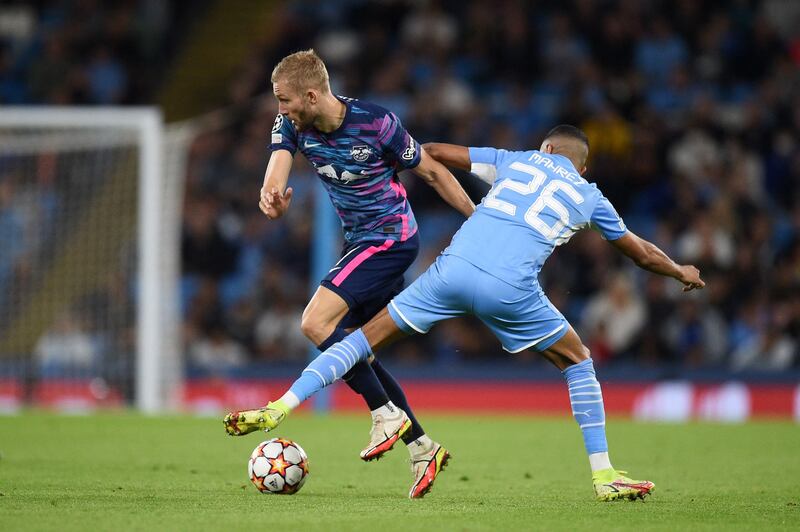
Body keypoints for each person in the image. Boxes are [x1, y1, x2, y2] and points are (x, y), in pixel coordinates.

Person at [224, 125, 705, 501]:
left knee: (361, 338)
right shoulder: (589, 195)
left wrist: (396, 161)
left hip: (450, 271)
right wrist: (678, 269)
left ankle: (280, 405)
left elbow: (432, 151)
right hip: (510, 289)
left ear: (547, 150)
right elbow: (639, 252)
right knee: (578, 360)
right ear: (579, 163)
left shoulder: (517, 160)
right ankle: (603, 474)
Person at [223, 50, 475, 497]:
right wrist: (272, 196)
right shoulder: (292, 125)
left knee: (314, 322)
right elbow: (277, 166)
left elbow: (433, 172)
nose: (279, 109)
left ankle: (385, 414)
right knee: (358, 351)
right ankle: (422, 448)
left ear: (312, 95)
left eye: (284, 100)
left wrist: (478, 221)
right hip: (360, 242)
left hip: (391, 240)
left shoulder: (377, 123)